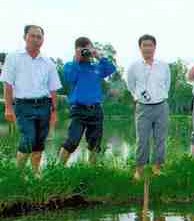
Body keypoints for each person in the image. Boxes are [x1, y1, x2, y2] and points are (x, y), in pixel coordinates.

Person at [0, 25, 62, 175]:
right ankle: (18, 174)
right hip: (23, 105)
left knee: (39, 143)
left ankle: (35, 173)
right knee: (28, 139)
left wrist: (54, 112)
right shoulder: (13, 57)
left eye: (39, 37)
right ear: (25, 37)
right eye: (32, 36)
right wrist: (8, 107)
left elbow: (53, 90)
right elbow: (7, 84)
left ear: (43, 40)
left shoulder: (48, 63)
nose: (35, 39)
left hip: (44, 105)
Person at [59, 37, 117, 165]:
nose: (87, 53)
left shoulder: (96, 67)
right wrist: (77, 60)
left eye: (88, 49)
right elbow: (69, 78)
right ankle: (58, 168)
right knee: (72, 142)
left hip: (96, 110)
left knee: (95, 144)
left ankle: (91, 171)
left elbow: (112, 69)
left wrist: (98, 56)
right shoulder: (71, 66)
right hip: (79, 110)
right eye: (83, 49)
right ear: (76, 50)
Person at [126, 34, 171, 181]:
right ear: (140, 48)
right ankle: (139, 170)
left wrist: (161, 96)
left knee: (160, 139)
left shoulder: (163, 66)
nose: (147, 48)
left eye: (150, 45)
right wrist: (137, 97)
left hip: (161, 106)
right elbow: (131, 85)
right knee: (142, 140)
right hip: (143, 108)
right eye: (144, 45)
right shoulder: (134, 67)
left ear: (155, 47)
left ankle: (157, 168)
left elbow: (167, 84)